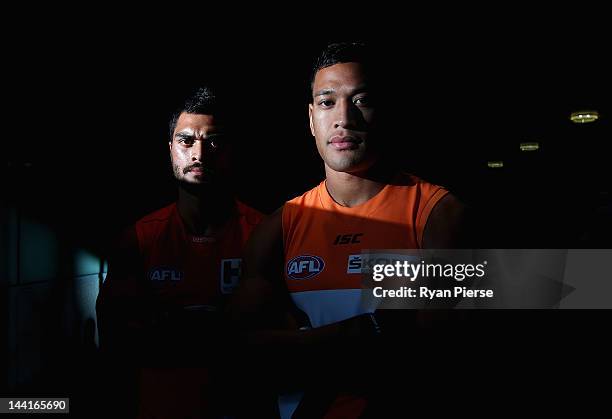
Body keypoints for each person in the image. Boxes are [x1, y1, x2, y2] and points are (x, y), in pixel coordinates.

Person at [228, 42, 468, 418]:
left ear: (385, 110)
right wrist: (365, 331)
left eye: (361, 100)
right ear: (310, 119)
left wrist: (304, 346)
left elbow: (434, 353)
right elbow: (241, 353)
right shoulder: (279, 226)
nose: (344, 118)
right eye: (327, 102)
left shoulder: (438, 213)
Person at [96, 86, 264, 418]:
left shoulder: (263, 232)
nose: (199, 154)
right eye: (187, 141)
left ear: (229, 151)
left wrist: (172, 327)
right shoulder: (140, 238)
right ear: (171, 148)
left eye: (213, 142)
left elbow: (273, 334)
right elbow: (117, 341)